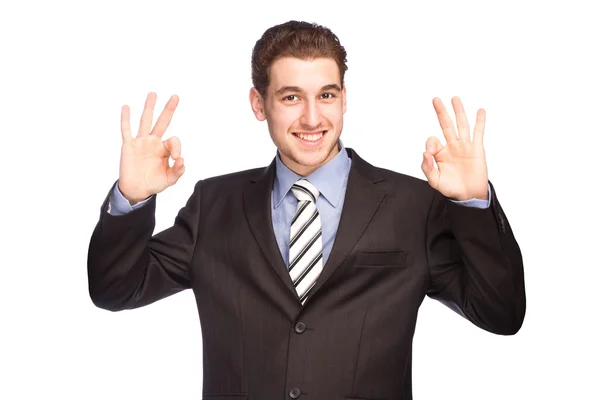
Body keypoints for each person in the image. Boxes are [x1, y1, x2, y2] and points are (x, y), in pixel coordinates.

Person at [88, 20, 525, 400]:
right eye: (292, 97)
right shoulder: (213, 204)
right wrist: (132, 200)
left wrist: (473, 202)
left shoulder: (413, 205)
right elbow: (114, 290)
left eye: (327, 95)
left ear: (344, 98)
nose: (313, 118)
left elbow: (501, 313)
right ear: (259, 104)